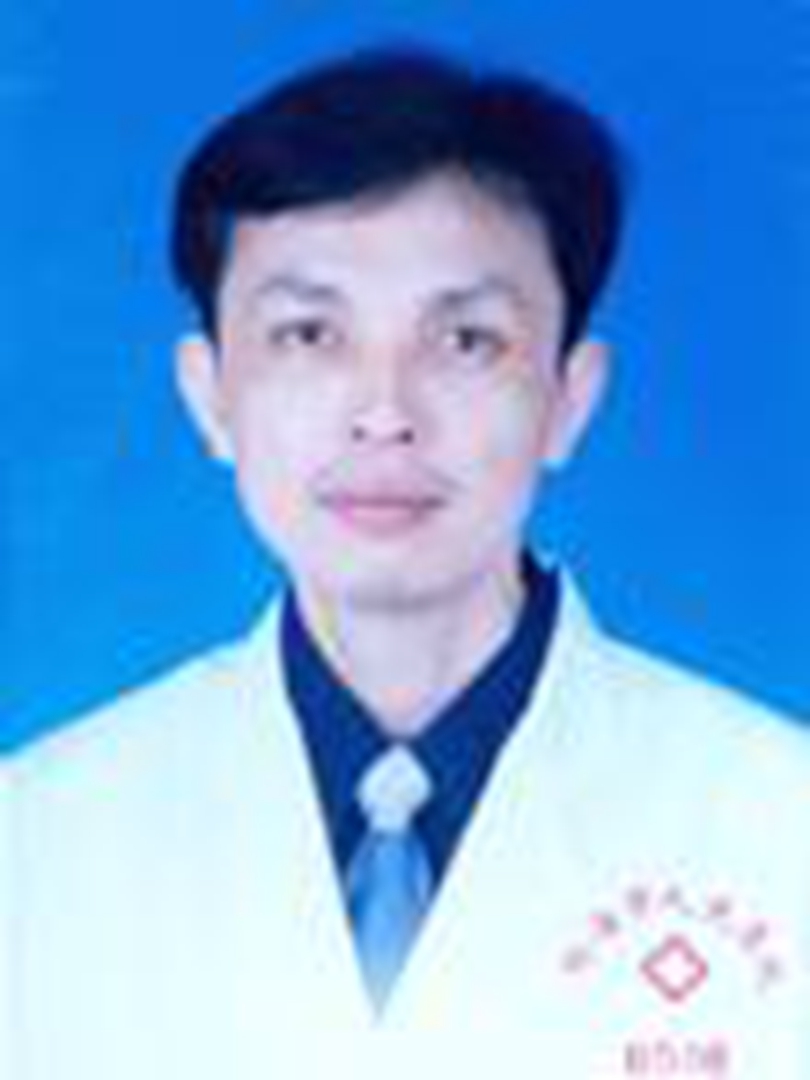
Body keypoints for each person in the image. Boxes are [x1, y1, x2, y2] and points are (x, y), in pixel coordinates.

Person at [4, 44, 809, 1080]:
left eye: (465, 340)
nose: (384, 412)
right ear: (210, 397)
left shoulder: (779, 819)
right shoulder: (36, 840)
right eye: (308, 335)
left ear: (569, 399)